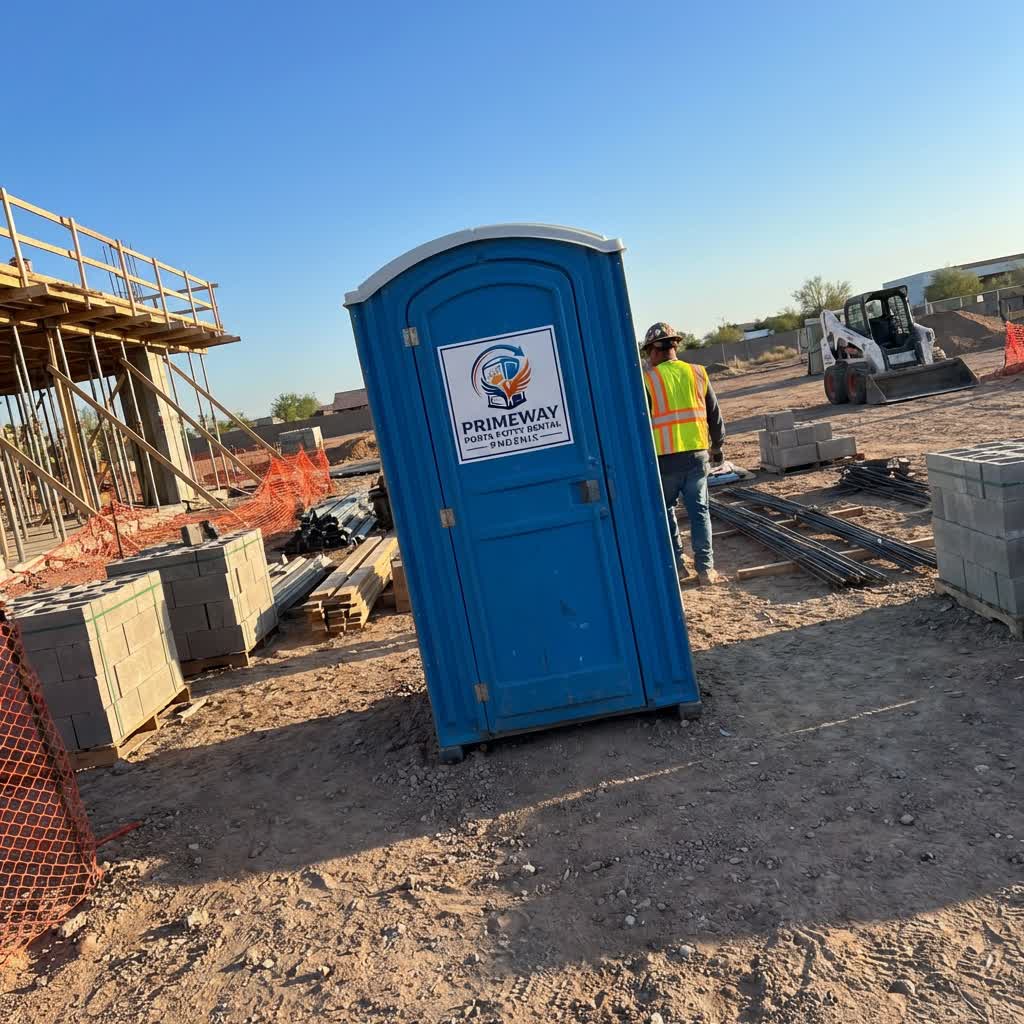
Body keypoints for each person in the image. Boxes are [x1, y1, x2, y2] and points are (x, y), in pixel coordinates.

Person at [640, 322, 726, 585]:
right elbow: (715, 414)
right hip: (697, 456)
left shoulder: (647, 380)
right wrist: (718, 448)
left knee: (666, 512)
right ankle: (705, 570)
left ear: (654, 350)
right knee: (700, 512)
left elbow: (640, 422)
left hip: (664, 459)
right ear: (675, 346)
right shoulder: (698, 373)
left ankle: (678, 565)